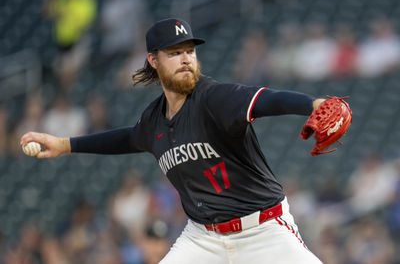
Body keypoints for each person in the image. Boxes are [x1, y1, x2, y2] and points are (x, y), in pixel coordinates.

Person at [21, 18, 325, 263]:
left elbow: (267, 100)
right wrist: (65, 144)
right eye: (175, 53)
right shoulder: (153, 120)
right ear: (153, 60)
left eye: (190, 51)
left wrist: (313, 104)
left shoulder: (214, 98)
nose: (185, 59)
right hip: (203, 239)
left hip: (263, 231)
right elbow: (126, 138)